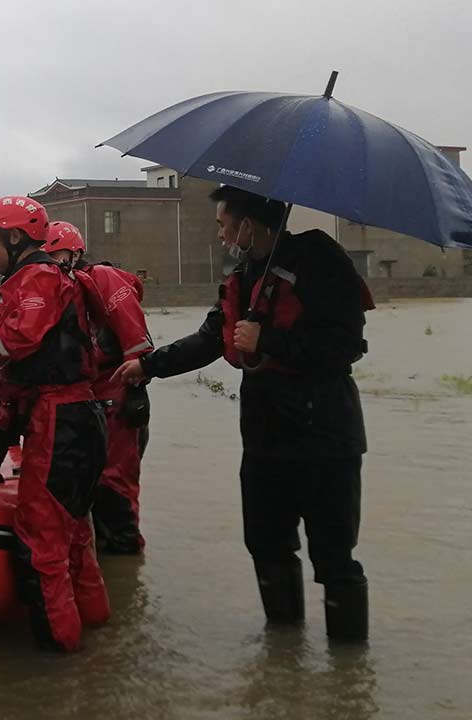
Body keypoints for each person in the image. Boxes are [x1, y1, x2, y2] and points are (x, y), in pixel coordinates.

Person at [115, 185, 373, 643]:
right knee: (266, 544)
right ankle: (283, 655)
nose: (220, 236)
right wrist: (147, 366)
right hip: (265, 438)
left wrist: (269, 340)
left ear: (248, 226)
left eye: (223, 225)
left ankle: (349, 674)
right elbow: (212, 337)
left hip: (325, 437)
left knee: (334, 556)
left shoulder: (321, 262)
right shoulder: (246, 277)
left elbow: (346, 346)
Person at [0, 197, 109, 652]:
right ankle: (97, 626)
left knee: (43, 539)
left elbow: (18, 339)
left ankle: (60, 657)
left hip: (60, 419)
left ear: (14, 236)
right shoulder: (38, 279)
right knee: (76, 531)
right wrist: (3, 430)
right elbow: (19, 374)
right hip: (74, 416)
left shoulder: (37, 279)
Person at [43, 221, 155, 554]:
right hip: (86, 398)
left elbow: (136, 339)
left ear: (75, 253)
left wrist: (135, 389)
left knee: (114, 482)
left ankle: (124, 554)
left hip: (117, 396)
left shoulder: (102, 279)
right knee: (87, 484)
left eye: (56, 255)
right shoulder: (59, 288)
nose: (51, 264)